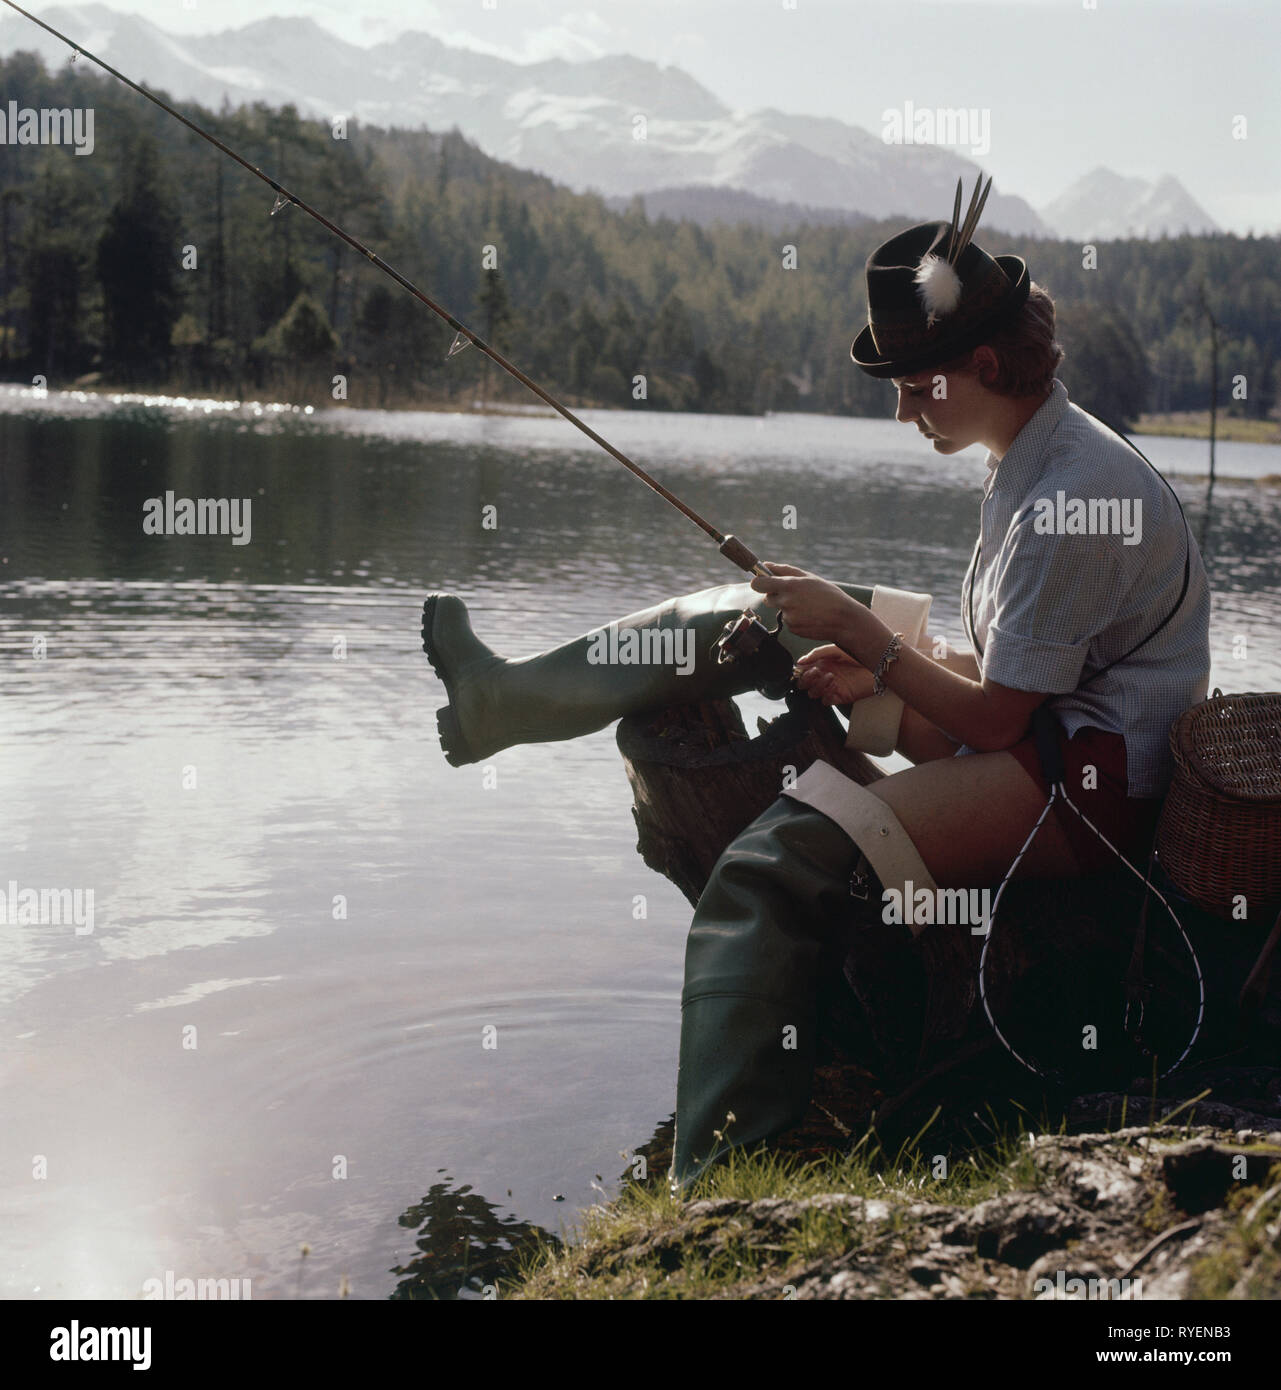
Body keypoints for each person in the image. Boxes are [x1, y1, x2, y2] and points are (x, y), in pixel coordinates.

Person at [422, 182, 1211, 1186]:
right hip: (1039, 734)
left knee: (774, 860)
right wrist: (851, 643)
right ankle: (508, 701)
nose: (898, 408)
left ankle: (719, 1178)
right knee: (756, 609)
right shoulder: (1030, 454)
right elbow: (1017, 680)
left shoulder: (1072, 497)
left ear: (982, 363)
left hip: (1083, 791)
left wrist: (870, 649)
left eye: (914, 384)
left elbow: (1005, 712)